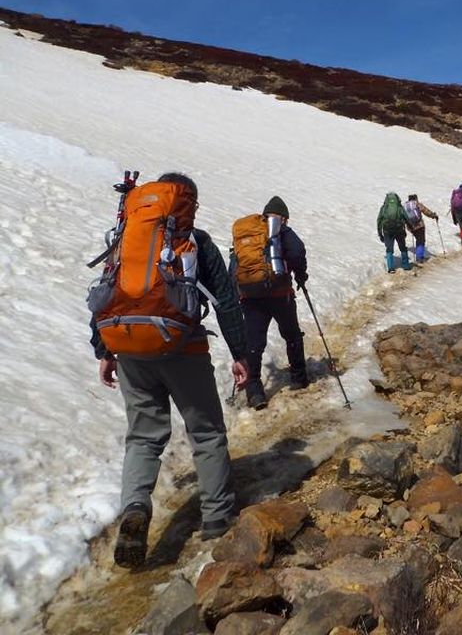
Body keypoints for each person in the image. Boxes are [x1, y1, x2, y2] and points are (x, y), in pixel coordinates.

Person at [88, 172, 249, 569]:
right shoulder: (196, 243)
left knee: (143, 437)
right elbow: (226, 300)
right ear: (187, 204)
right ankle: (216, 519)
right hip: (184, 349)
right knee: (206, 432)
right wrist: (241, 353)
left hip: (129, 348)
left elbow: (108, 292)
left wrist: (104, 350)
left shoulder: (127, 239)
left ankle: (135, 508)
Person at [231, 196, 309, 409]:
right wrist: (300, 275)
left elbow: (235, 264)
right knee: (292, 334)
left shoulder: (247, 233)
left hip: (250, 297)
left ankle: (255, 392)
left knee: (254, 343)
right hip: (280, 294)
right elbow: (296, 252)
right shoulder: (280, 230)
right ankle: (298, 378)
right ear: (283, 217)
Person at [378, 192, 413, 272]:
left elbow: (379, 220)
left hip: (387, 231)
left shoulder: (384, 208)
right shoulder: (399, 207)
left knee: (389, 248)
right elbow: (406, 217)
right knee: (403, 247)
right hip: (399, 229)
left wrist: (380, 233)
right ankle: (406, 265)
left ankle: (391, 268)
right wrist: (410, 226)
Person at [404, 193, 438, 263]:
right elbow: (426, 211)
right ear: (415, 198)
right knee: (421, 241)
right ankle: (419, 258)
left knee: (418, 239)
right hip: (419, 225)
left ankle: (419, 256)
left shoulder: (405, 206)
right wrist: (433, 215)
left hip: (411, 227)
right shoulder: (416, 203)